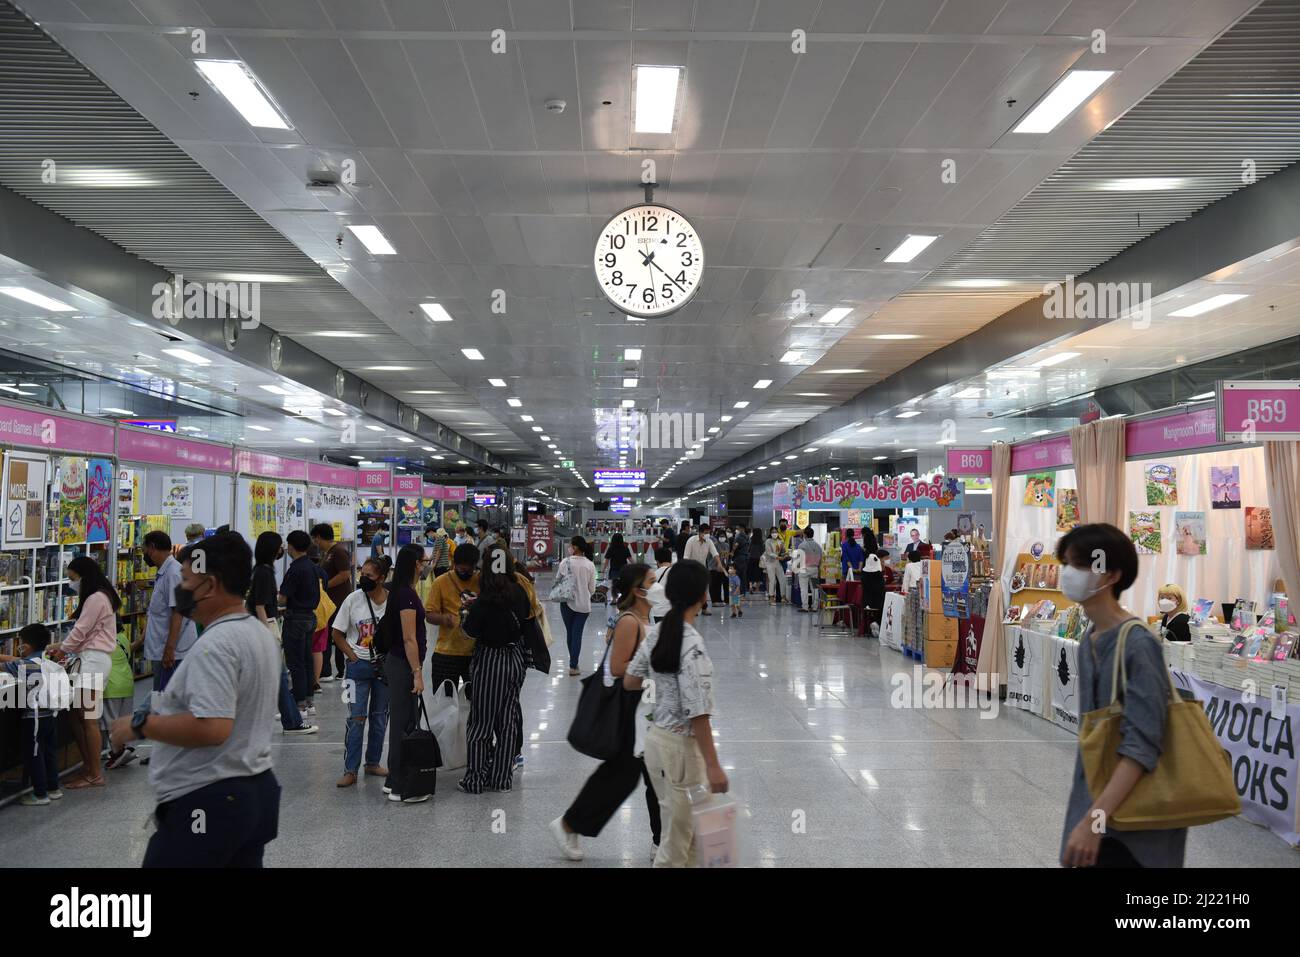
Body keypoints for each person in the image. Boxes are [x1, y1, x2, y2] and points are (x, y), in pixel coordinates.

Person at [111, 532, 282, 867]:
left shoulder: (216, 645)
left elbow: (212, 727)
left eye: (188, 580)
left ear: (211, 585)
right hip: (254, 788)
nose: (183, 589)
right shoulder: (257, 634)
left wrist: (140, 725)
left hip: (209, 798)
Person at [1057, 523, 1184, 868]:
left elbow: (1141, 746)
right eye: (1066, 563)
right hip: (1097, 813)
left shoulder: (1139, 644)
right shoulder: (1091, 639)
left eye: (1079, 564)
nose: (1068, 573)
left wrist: (1092, 823)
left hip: (1134, 830)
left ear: (1111, 575)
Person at [550, 564, 662, 859]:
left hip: (647, 710)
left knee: (653, 776)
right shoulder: (629, 621)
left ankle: (661, 841)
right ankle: (568, 823)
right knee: (625, 776)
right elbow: (617, 669)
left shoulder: (646, 618)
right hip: (630, 713)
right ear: (638, 590)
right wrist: (656, 665)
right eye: (652, 581)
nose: (657, 584)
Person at [624, 560, 727, 868]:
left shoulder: (656, 633)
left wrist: (661, 680)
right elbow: (698, 712)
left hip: (656, 744)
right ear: (702, 595)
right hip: (682, 752)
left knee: (692, 835)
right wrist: (713, 766)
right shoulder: (692, 644)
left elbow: (630, 680)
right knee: (677, 843)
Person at [458, 542, 531, 794]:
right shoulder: (519, 592)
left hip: (490, 660)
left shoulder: (485, 599)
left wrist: (465, 613)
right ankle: (501, 779)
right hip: (515, 660)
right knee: (508, 721)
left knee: (481, 722)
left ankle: (476, 779)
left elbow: (469, 632)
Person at [50, 555, 121, 790]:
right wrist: (60, 647)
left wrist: (62, 650)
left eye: (73, 578)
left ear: (83, 575)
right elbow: (85, 634)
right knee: (77, 716)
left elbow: (81, 631)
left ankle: (94, 773)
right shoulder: (101, 597)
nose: (72, 583)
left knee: (89, 719)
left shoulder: (96, 598)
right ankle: (89, 766)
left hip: (94, 662)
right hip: (90, 660)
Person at [248, 531, 316, 736]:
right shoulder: (264, 572)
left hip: (269, 623)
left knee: (280, 675)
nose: (282, 550)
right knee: (281, 674)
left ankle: (290, 718)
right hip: (266, 626)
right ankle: (291, 720)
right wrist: (267, 633)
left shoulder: (266, 570)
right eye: (279, 546)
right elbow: (260, 605)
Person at [331, 558, 390, 788]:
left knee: (379, 717)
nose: (363, 578)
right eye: (361, 573)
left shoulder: (391, 602)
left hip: (383, 668)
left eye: (369, 576)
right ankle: (350, 769)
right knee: (355, 719)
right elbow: (336, 633)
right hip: (357, 669)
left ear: (382, 578)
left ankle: (373, 762)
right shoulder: (352, 600)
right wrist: (351, 656)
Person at [383, 544, 431, 803]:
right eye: (423, 561)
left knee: (402, 721)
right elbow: (409, 638)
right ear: (415, 564)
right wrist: (417, 673)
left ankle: (393, 780)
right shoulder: (407, 596)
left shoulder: (400, 591)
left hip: (399, 662)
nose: (425, 566)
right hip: (404, 664)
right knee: (405, 724)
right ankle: (401, 785)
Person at [0, 624, 63, 804]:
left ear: (26, 646)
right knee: (50, 752)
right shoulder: (46, 662)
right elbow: (13, 659)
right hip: (50, 715)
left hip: (33, 718)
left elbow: (4, 666)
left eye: (20, 643)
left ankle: (40, 794)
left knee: (34, 754)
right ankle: (53, 788)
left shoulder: (23, 665)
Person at [142, 530, 198, 691]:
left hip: (172, 653)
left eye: (144, 549)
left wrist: (169, 649)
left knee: (165, 700)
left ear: (152, 548)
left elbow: (178, 613)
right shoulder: (164, 572)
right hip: (164, 649)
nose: (144, 554)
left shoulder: (173, 573)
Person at [423, 542, 480, 695]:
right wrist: (444, 619)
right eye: (461, 568)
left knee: (475, 701)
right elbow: (429, 614)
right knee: (444, 704)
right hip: (446, 653)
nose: (466, 572)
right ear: (454, 563)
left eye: (470, 569)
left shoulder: (482, 581)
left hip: (476, 653)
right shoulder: (441, 582)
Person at [278, 529, 320, 719]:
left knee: (295, 663)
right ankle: (309, 702)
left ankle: (299, 705)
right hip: (310, 617)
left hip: (295, 619)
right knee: (306, 660)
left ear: (292, 546)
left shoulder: (295, 569)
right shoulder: (312, 567)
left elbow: (282, 599)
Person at [312, 524, 353, 682]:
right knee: (329, 634)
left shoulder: (339, 551)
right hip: (329, 601)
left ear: (320, 537)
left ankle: (341, 670)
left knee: (338, 634)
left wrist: (325, 585)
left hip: (338, 600)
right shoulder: (328, 553)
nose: (316, 542)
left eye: (316, 539)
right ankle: (328, 670)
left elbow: (344, 574)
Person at [101, 619, 141, 770]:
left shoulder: (103, 641)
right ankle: (126, 748)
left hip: (111, 684)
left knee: (111, 723)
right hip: (127, 682)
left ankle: (117, 752)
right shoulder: (123, 637)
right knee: (124, 719)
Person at [557, 536, 597, 676]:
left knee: (570, 633)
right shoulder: (590, 565)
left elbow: (558, 582)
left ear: (575, 547)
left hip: (566, 603)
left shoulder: (565, 562)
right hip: (583, 605)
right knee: (577, 634)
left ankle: (574, 663)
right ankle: (573, 665)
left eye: (570, 545)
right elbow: (592, 589)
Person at [684, 524, 720, 614]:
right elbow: (686, 556)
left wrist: (719, 563)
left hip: (702, 569)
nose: (707, 534)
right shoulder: (691, 541)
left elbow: (715, 554)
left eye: (709, 533)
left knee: (704, 590)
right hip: (691, 569)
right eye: (705, 533)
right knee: (692, 590)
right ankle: (693, 608)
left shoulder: (709, 541)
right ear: (699, 533)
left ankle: (704, 608)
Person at [646, 545, 674, 624]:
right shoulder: (676, 573)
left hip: (657, 612)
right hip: (673, 611)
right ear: (670, 559)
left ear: (657, 561)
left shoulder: (653, 575)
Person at [797, 527, 823, 612]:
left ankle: (805, 607)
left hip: (804, 569)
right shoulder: (818, 546)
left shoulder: (801, 545)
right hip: (815, 569)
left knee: (803, 589)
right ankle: (815, 607)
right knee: (815, 589)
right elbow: (821, 559)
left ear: (804, 535)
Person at [763, 527, 788, 604]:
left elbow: (783, 551)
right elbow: (769, 553)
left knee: (782, 579)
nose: (774, 533)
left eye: (776, 532)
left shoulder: (780, 542)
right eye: (773, 532)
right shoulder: (768, 541)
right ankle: (771, 597)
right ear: (770, 533)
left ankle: (783, 597)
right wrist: (779, 557)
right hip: (770, 562)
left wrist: (786, 555)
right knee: (772, 580)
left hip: (777, 562)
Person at [730, 527, 750, 595]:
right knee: (743, 575)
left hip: (739, 558)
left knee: (737, 574)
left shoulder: (738, 537)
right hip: (745, 557)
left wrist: (732, 553)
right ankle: (743, 591)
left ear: (742, 530)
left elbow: (735, 546)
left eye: (738, 529)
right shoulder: (747, 537)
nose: (736, 530)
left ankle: (738, 590)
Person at [748, 528, 764, 593]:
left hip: (751, 559)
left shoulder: (750, 540)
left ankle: (750, 587)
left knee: (751, 574)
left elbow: (748, 550)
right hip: (759, 560)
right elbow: (762, 551)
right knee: (759, 575)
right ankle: (757, 589)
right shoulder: (761, 541)